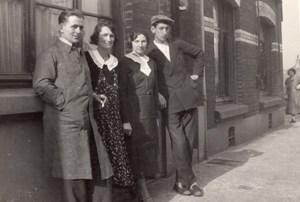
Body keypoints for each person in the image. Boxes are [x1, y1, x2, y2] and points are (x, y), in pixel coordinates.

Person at [33, 9, 113, 202]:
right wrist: (65, 103)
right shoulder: (50, 53)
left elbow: (77, 82)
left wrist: (92, 95)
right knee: (74, 179)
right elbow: (41, 84)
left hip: (88, 122)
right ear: (61, 28)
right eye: (74, 26)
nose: (78, 31)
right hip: (67, 125)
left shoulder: (80, 54)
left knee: (101, 173)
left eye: (81, 27)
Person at [147, 14, 205, 197]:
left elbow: (200, 53)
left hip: (187, 96)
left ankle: (181, 182)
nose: (165, 32)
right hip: (169, 102)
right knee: (179, 143)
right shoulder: (148, 51)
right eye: (161, 28)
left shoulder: (177, 44)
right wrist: (157, 93)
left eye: (167, 28)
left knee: (188, 142)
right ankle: (192, 181)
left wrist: (195, 76)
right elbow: (148, 77)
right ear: (153, 29)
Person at [85, 20, 135, 194]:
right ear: (96, 38)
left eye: (111, 35)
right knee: (98, 157)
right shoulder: (88, 58)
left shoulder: (117, 62)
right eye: (104, 35)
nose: (108, 39)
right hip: (95, 116)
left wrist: (125, 120)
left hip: (113, 117)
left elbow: (122, 94)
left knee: (115, 158)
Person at [119, 32, 159, 202]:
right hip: (134, 112)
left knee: (147, 149)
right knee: (135, 151)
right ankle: (141, 191)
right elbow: (121, 91)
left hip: (149, 112)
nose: (140, 44)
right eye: (136, 41)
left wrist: (156, 113)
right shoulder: (124, 62)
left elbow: (155, 89)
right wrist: (125, 119)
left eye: (143, 41)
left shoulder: (152, 62)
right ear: (131, 43)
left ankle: (142, 189)